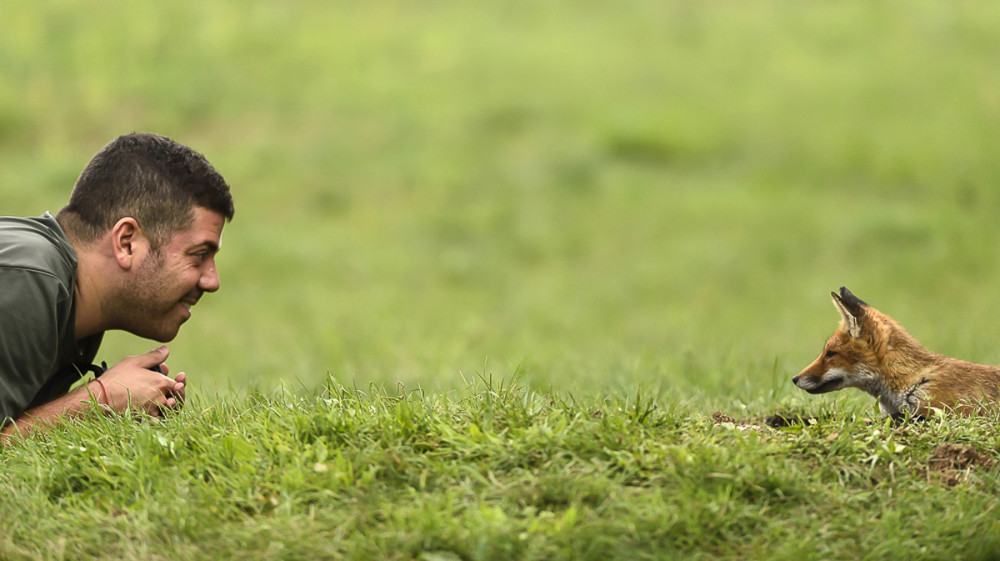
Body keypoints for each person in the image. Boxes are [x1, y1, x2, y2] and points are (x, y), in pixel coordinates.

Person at [0, 132, 235, 444]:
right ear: (127, 242)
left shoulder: (71, 305)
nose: (212, 281)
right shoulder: (29, 276)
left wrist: (118, 406)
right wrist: (102, 399)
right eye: (198, 256)